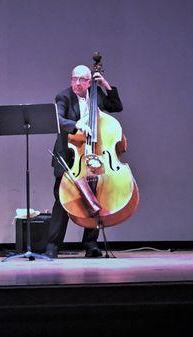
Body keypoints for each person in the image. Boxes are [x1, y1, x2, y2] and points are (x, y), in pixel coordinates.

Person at [45, 65, 123, 258]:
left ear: (89, 82)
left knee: (95, 201)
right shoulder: (63, 97)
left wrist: (105, 84)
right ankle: (53, 246)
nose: (77, 83)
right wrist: (76, 124)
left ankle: (91, 244)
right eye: (74, 79)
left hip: (94, 157)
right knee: (62, 201)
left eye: (81, 80)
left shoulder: (97, 94)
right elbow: (58, 119)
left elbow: (116, 107)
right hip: (70, 158)